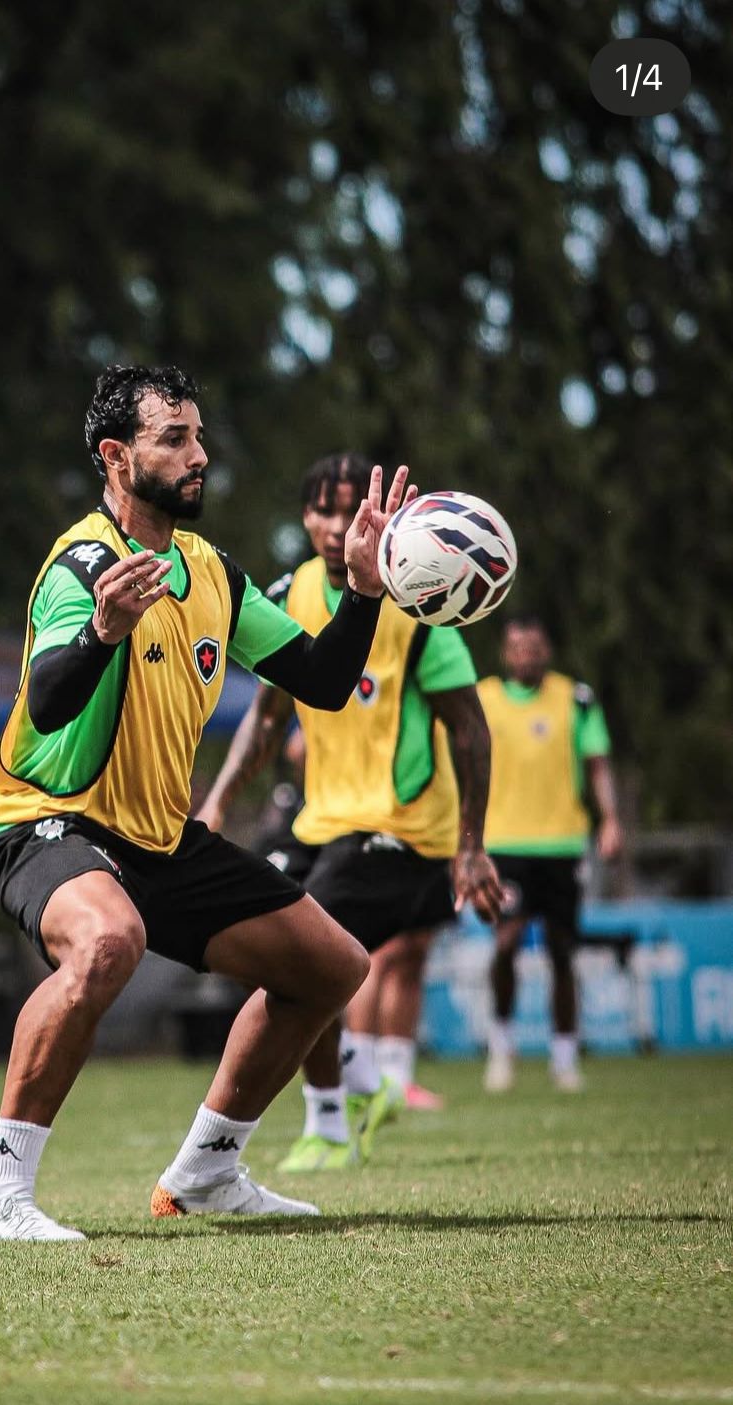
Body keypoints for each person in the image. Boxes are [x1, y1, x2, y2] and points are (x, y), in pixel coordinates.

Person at [0, 365, 414, 1240]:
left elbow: (322, 681)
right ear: (115, 457)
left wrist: (364, 592)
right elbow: (48, 701)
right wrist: (102, 632)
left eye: (198, 436)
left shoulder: (211, 572)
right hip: (46, 822)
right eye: (173, 439)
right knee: (109, 940)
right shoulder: (83, 563)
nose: (198, 455)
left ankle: (207, 1170)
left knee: (332, 966)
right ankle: (1, 1194)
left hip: (158, 839)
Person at [198, 451, 502, 1169]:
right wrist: (215, 803)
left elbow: (469, 728)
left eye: (350, 510)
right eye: (323, 510)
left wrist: (471, 845)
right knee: (243, 938)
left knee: (301, 959)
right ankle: (364, 1081)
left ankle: (330, 1121)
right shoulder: (288, 593)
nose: (338, 526)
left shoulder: (417, 600)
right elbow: (267, 719)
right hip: (321, 821)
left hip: (401, 830)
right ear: (304, 519)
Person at [478, 616, 624, 1093]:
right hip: (505, 844)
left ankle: (564, 1056)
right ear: (506, 654)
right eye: (518, 647)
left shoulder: (574, 699)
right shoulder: (484, 698)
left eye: (535, 646)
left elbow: (597, 764)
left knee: (562, 950)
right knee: (506, 944)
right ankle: (501, 1046)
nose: (527, 654)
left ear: (548, 651)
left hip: (562, 844)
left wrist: (610, 819)